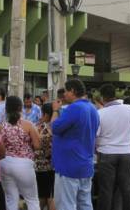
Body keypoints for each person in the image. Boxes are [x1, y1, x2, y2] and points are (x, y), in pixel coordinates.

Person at [96, 84, 130, 210]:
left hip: (106, 153)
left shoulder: (100, 113)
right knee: (127, 189)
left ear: (103, 98)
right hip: (126, 153)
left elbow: (95, 136)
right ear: (115, 95)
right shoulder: (129, 109)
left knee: (106, 190)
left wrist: (97, 149)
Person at [51, 79, 100, 210]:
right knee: (85, 204)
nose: (64, 95)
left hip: (68, 165)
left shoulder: (74, 108)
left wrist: (55, 111)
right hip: (85, 164)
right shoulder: (93, 108)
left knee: (66, 205)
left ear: (73, 91)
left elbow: (54, 127)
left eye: (66, 91)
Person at [0, 96, 41, 210]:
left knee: (11, 199)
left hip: (5, 163)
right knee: (32, 199)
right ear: (20, 108)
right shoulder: (28, 124)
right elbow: (37, 146)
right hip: (24, 164)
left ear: (6, 109)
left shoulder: (2, 126)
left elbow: (0, 146)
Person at [35, 103, 56, 210]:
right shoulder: (57, 127)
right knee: (50, 195)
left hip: (40, 166)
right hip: (52, 167)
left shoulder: (41, 128)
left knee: (44, 195)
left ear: (46, 114)